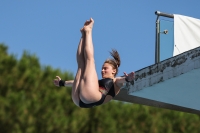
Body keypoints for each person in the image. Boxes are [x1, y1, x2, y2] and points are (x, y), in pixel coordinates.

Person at [53, 18, 134, 108]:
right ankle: (83, 34)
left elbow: (121, 80)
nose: (102, 70)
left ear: (114, 71)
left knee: (90, 60)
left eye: (105, 68)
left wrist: (127, 79)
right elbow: (75, 82)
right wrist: (62, 83)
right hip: (80, 100)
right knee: (81, 64)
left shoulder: (116, 82)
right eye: (102, 68)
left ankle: (88, 31)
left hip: (89, 97)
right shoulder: (96, 84)